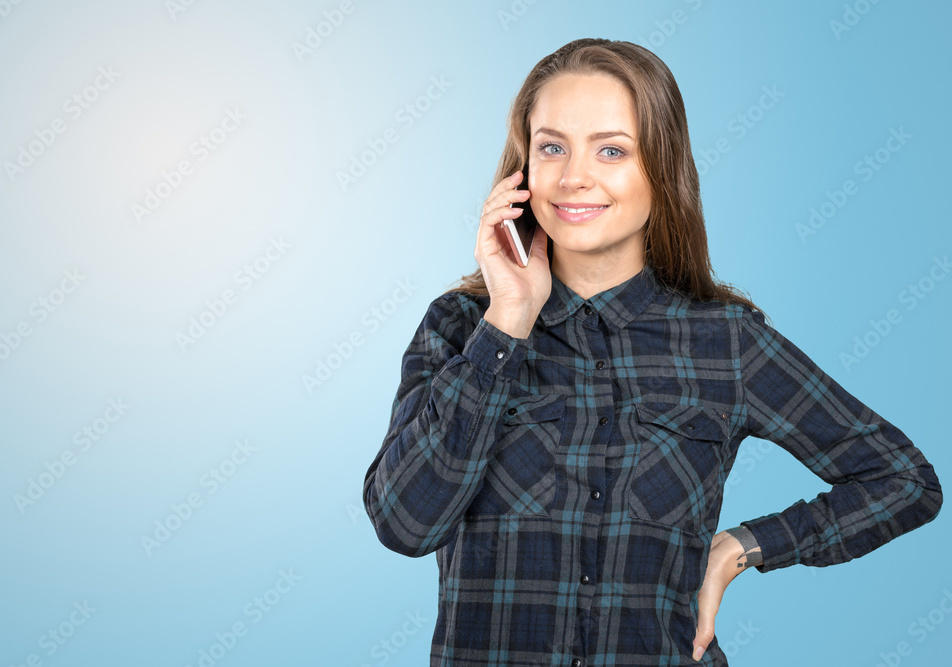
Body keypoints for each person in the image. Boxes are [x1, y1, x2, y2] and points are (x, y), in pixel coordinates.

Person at [362, 38, 943, 666]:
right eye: (551, 147)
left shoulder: (728, 342)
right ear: (521, 169)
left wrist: (742, 547)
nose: (573, 176)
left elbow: (904, 480)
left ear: (660, 171)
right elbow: (405, 524)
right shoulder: (460, 328)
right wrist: (506, 322)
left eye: (611, 150)